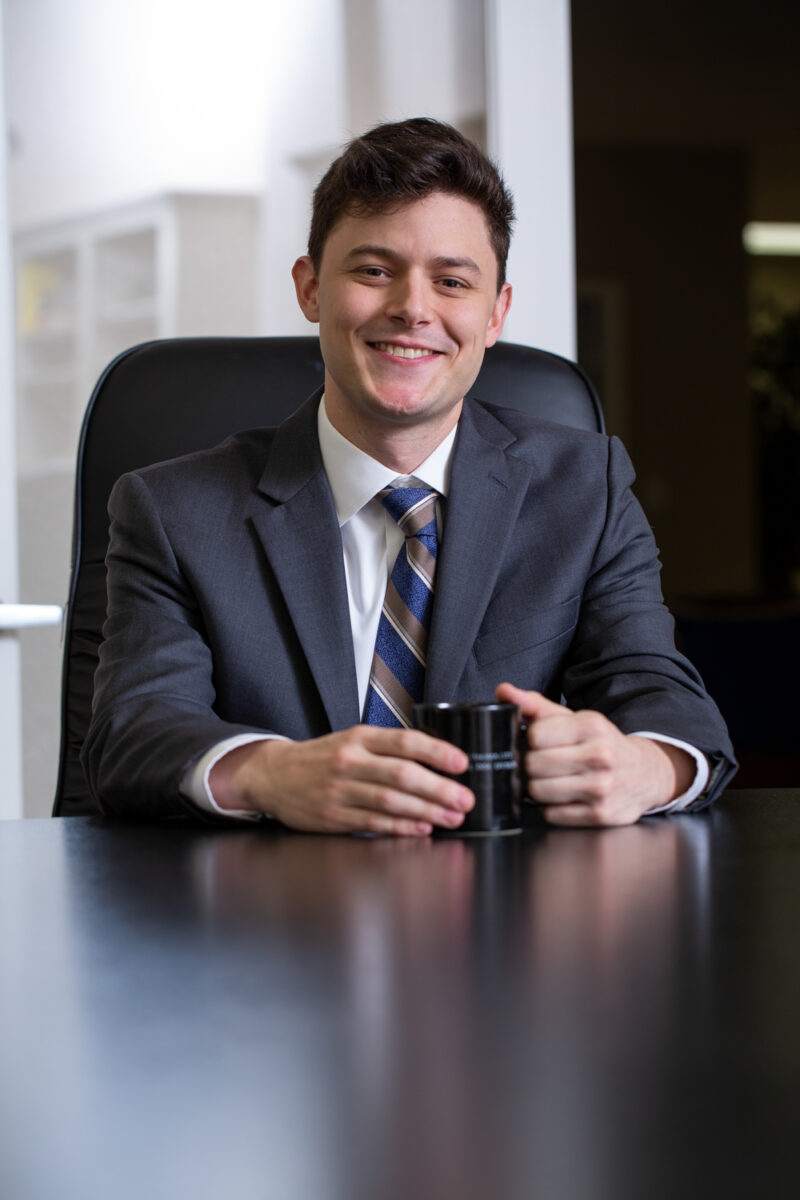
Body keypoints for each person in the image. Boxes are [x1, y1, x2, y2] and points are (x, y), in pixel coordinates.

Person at [82, 118, 736, 831]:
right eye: (373, 271)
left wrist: (642, 766)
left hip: (516, 920)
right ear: (310, 289)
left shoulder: (587, 489)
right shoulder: (174, 511)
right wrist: (269, 773)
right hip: (266, 919)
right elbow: (133, 732)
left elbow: (667, 705)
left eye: (452, 281)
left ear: (496, 314)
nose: (413, 309)